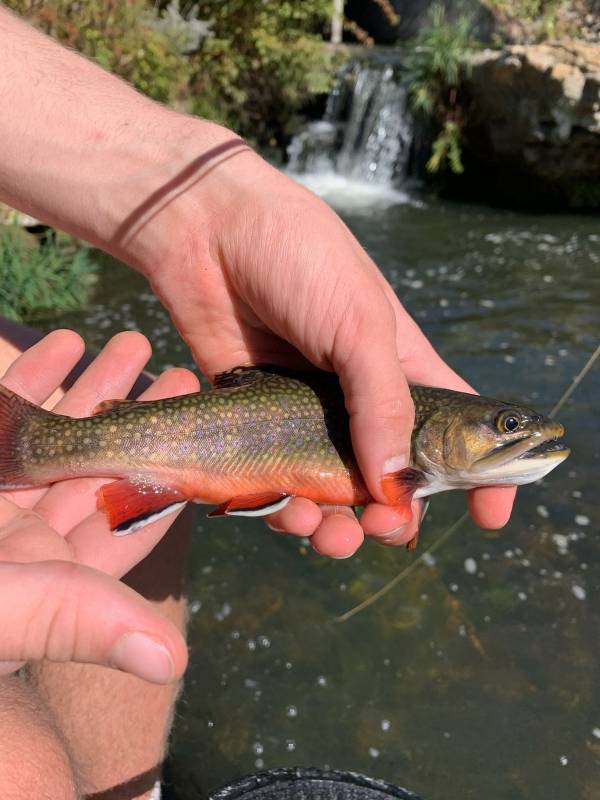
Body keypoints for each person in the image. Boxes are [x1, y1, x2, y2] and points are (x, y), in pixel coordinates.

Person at [0, 6, 516, 799]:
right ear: (434, 434)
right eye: (506, 428)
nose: (518, 438)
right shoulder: (406, 461)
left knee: (151, 502)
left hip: (209, 434)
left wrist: (208, 204)